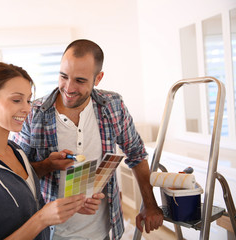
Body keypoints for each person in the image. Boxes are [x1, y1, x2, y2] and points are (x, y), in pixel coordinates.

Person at [12, 39, 164, 240]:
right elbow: (17, 176)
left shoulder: (113, 106)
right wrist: (48, 165)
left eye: (80, 80)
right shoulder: (34, 113)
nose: (68, 87)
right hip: (51, 234)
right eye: (63, 76)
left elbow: (136, 154)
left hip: (103, 231)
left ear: (98, 78)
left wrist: (150, 204)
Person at [0, 62, 86, 240]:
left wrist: (48, 166)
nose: (28, 108)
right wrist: (42, 219)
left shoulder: (16, 151)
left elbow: (17, 189)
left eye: (28, 100)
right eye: (16, 100)